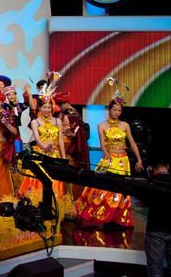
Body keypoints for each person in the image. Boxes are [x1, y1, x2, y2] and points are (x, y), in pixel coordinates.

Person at [75, 98, 143, 228]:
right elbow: (102, 143)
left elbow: (132, 143)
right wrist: (106, 153)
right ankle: (102, 214)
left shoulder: (125, 125)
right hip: (110, 159)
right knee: (104, 188)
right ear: (109, 110)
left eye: (119, 110)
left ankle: (117, 217)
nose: (117, 112)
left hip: (123, 160)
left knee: (121, 189)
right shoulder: (102, 125)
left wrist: (139, 159)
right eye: (114, 110)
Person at [18, 98, 66, 199]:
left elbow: (60, 140)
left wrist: (63, 158)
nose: (47, 110)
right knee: (40, 177)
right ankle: (37, 199)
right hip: (40, 154)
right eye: (44, 107)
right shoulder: (35, 122)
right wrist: (45, 147)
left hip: (54, 154)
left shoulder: (58, 121)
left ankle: (55, 200)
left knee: (55, 178)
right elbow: (37, 139)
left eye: (49, 107)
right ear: (40, 108)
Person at [144, 154, 171, 277]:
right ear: (168, 167)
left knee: (155, 266)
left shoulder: (151, 183)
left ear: (153, 169)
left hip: (156, 230)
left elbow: (144, 203)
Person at [56, 92, 89, 198]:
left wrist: (70, 134)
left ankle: (68, 195)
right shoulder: (66, 112)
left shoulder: (71, 113)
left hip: (68, 146)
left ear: (65, 103)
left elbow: (77, 133)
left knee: (67, 171)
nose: (59, 107)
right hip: (61, 144)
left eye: (60, 104)